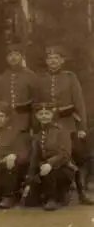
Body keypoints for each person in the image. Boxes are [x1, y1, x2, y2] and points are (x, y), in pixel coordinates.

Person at [36, 45, 93, 205]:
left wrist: (82, 127)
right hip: (48, 123)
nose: (52, 61)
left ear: (62, 61)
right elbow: (38, 104)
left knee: (74, 156)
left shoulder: (70, 78)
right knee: (49, 155)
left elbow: (79, 103)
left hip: (68, 124)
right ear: (46, 61)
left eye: (56, 58)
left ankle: (82, 193)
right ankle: (55, 193)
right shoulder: (41, 80)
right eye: (50, 59)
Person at [22, 102, 78, 211]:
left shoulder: (61, 131)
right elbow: (34, 158)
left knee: (50, 171)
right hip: (44, 169)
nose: (43, 116)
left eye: (46, 113)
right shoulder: (38, 135)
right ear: (37, 116)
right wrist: (29, 180)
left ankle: (52, 198)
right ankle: (50, 193)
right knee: (29, 202)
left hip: (64, 168)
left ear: (52, 115)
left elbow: (66, 154)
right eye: (41, 114)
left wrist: (50, 163)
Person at [0, 43, 39, 133]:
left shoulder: (31, 76)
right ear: (7, 59)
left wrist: (34, 124)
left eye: (16, 55)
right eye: (10, 55)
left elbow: (36, 101)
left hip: (25, 121)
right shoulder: (2, 77)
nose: (13, 58)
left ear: (22, 57)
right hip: (6, 122)